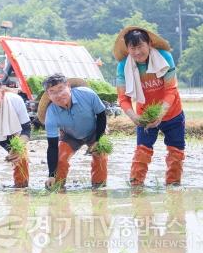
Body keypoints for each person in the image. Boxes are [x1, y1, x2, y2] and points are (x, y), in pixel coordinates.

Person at [114, 26, 185, 186]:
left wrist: (160, 114)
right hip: (144, 116)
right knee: (142, 152)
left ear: (149, 44)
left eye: (140, 47)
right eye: (133, 48)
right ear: (128, 48)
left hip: (172, 112)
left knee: (176, 153)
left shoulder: (164, 57)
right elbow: (123, 98)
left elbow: (171, 90)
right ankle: (136, 188)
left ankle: (173, 188)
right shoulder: (123, 66)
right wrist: (134, 117)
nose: (137, 52)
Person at [38, 74, 107, 189]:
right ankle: (58, 187)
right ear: (49, 96)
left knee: (100, 156)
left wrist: (98, 139)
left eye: (61, 89)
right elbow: (52, 146)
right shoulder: (50, 114)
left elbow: (101, 115)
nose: (59, 95)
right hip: (69, 135)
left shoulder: (87, 94)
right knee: (61, 159)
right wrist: (51, 175)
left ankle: (99, 187)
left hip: (94, 131)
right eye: (52, 91)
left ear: (68, 86)